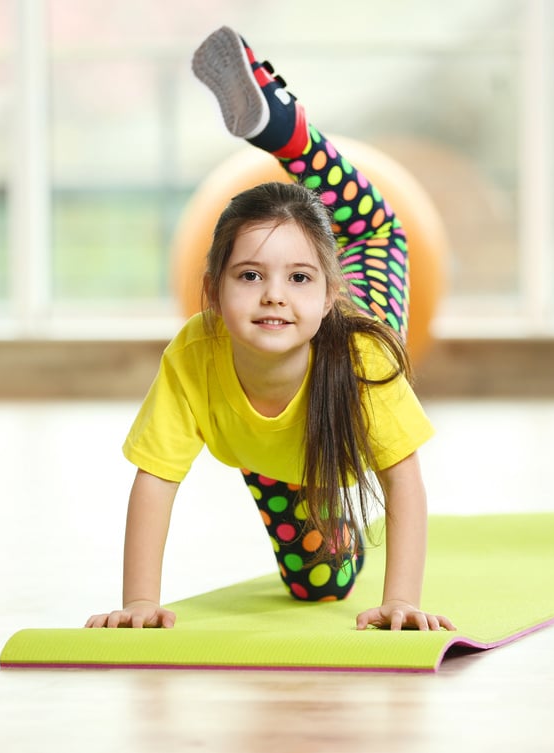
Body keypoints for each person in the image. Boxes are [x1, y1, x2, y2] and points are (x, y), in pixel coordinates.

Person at [86, 26, 454, 632]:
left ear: (327, 293)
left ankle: (282, 127)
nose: (274, 296)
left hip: (363, 269)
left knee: (374, 222)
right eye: (250, 275)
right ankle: (337, 537)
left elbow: (404, 482)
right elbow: (155, 479)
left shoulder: (362, 357)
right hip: (282, 457)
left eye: (298, 280)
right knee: (321, 583)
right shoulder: (194, 354)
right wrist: (139, 604)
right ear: (212, 292)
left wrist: (402, 599)